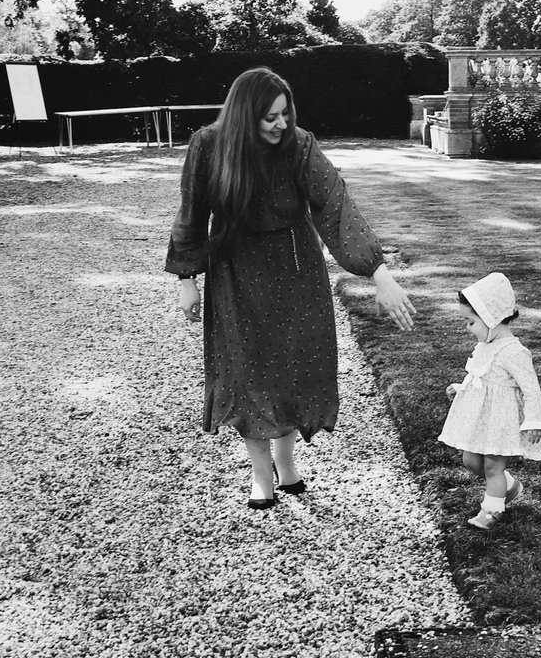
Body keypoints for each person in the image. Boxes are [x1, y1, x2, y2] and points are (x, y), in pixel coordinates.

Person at [165, 66, 416, 510]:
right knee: (248, 371)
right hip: (236, 271)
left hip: (296, 271)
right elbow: (191, 215)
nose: (281, 124)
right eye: (270, 117)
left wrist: (379, 272)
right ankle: (262, 475)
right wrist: (188, 280)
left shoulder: (300, 144)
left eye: (285, 114)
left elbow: (335, 205)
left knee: (293, 367)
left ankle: (287, 463)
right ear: (245, 116)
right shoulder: (208, 145)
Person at [438, 272, 541, 530]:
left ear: (491, 319)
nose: (467, 328)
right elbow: (480, 375)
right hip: (481, 416)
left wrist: (533, 421)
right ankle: (508, 486)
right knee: (470, 460)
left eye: (470, 322)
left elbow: (531, 388)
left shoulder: (514, 352)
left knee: (492, 465)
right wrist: (461, 387)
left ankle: (491, 511)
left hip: (501, 419)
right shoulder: (486, 344)